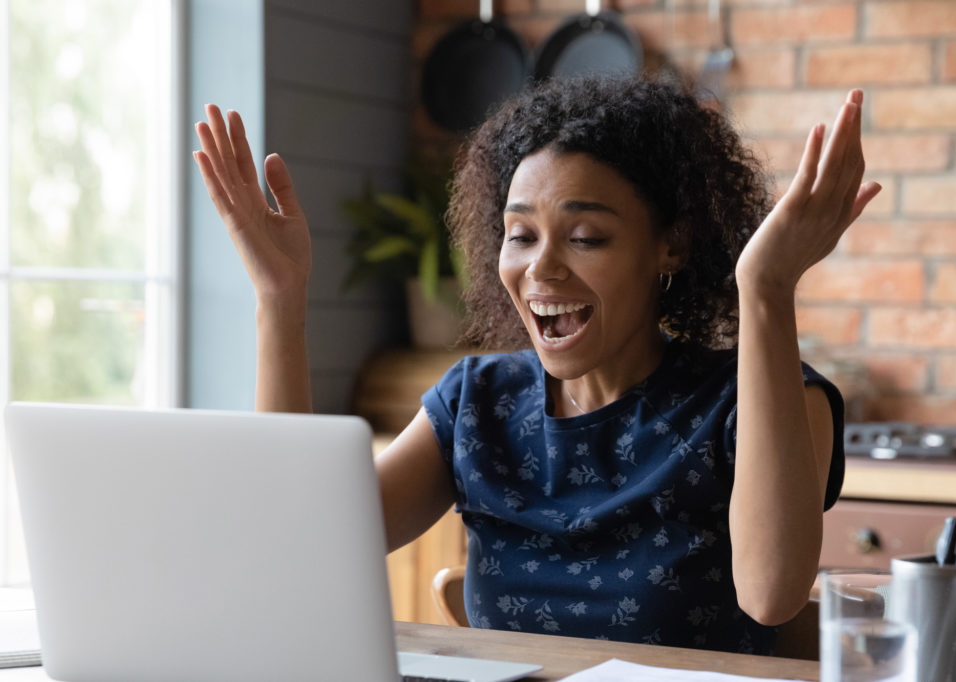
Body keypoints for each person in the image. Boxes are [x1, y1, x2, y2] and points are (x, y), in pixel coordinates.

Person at [193, 75, 880, 655]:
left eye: (586, 237)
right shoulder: (479, 404)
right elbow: (297, 543)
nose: (541, 267)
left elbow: (771, 596)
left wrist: (764, 286)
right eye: (521, 235)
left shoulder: (755, 404)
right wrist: (279, 303)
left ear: (670, 247)